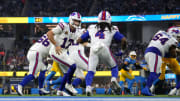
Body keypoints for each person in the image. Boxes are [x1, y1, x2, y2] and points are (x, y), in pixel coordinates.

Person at [77, 11, 127, 96]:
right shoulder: (113, 28)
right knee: (114, 67)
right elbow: (124, 40)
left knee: (91, 71)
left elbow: (79, 40)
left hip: (93, 49)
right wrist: (122, 51)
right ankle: (114, 79)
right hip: (104, 48)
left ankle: (88, 88)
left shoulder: (92, 28)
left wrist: (89, 43)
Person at [48, 12, 84, 96]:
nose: (77, 23)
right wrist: (56, 45)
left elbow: (80, 40)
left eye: (78, 21)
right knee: (73, 65)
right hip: (55, 51)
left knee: (67, 73)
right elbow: (49, 34)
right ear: (70, 20)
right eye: (75, 21)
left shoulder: (77, 32)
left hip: (63, 52)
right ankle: (68, 85)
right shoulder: (63, 26)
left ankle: (60, 90)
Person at [141, 29, 178, 96]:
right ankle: (146, 88)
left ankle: (148, 88)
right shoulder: (173, 40)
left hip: (148, 51)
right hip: (155, 52)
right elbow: (173, 54)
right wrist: (177, 52)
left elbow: (155, 41)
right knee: (154, 72)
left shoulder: (160, 31)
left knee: (158, 73)